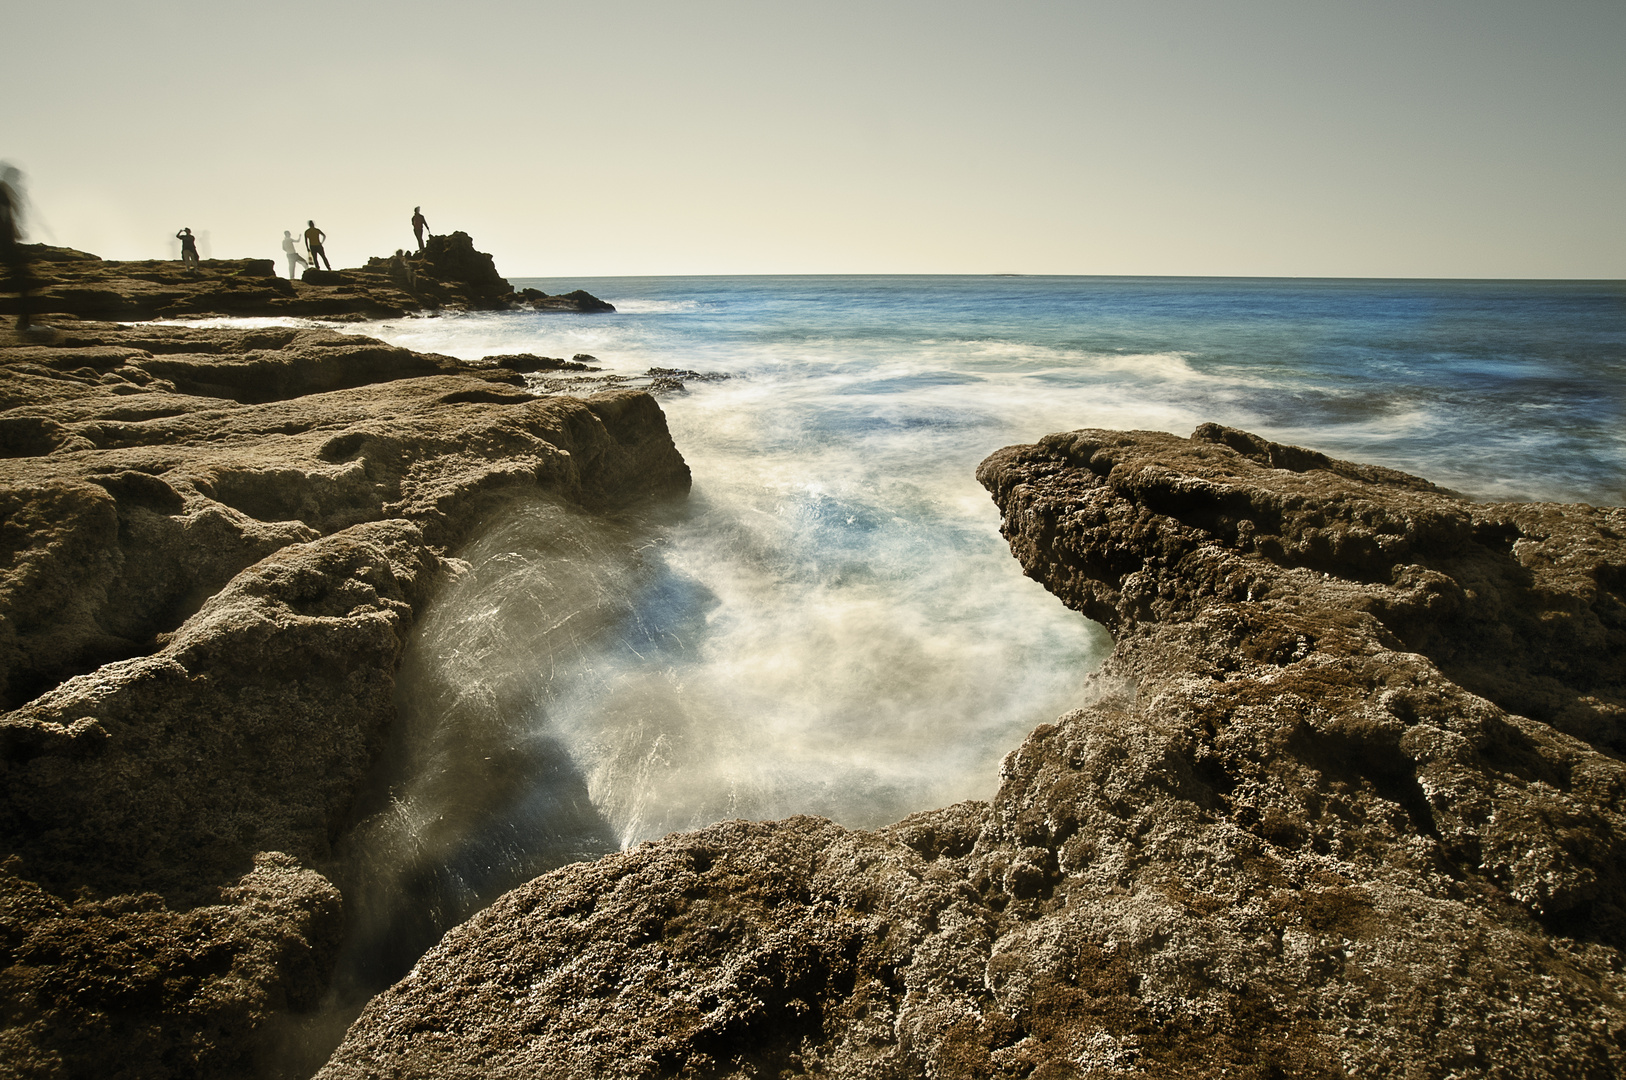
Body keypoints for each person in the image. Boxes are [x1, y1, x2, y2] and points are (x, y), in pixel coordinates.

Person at [1, 164, 33, 331]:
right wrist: (15, 232)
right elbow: (5, 214)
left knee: (20, 278)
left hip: (6, 241)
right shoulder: (3, 189)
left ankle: (23, 319)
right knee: (21, 278)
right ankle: (23, 320)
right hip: (5, 241)